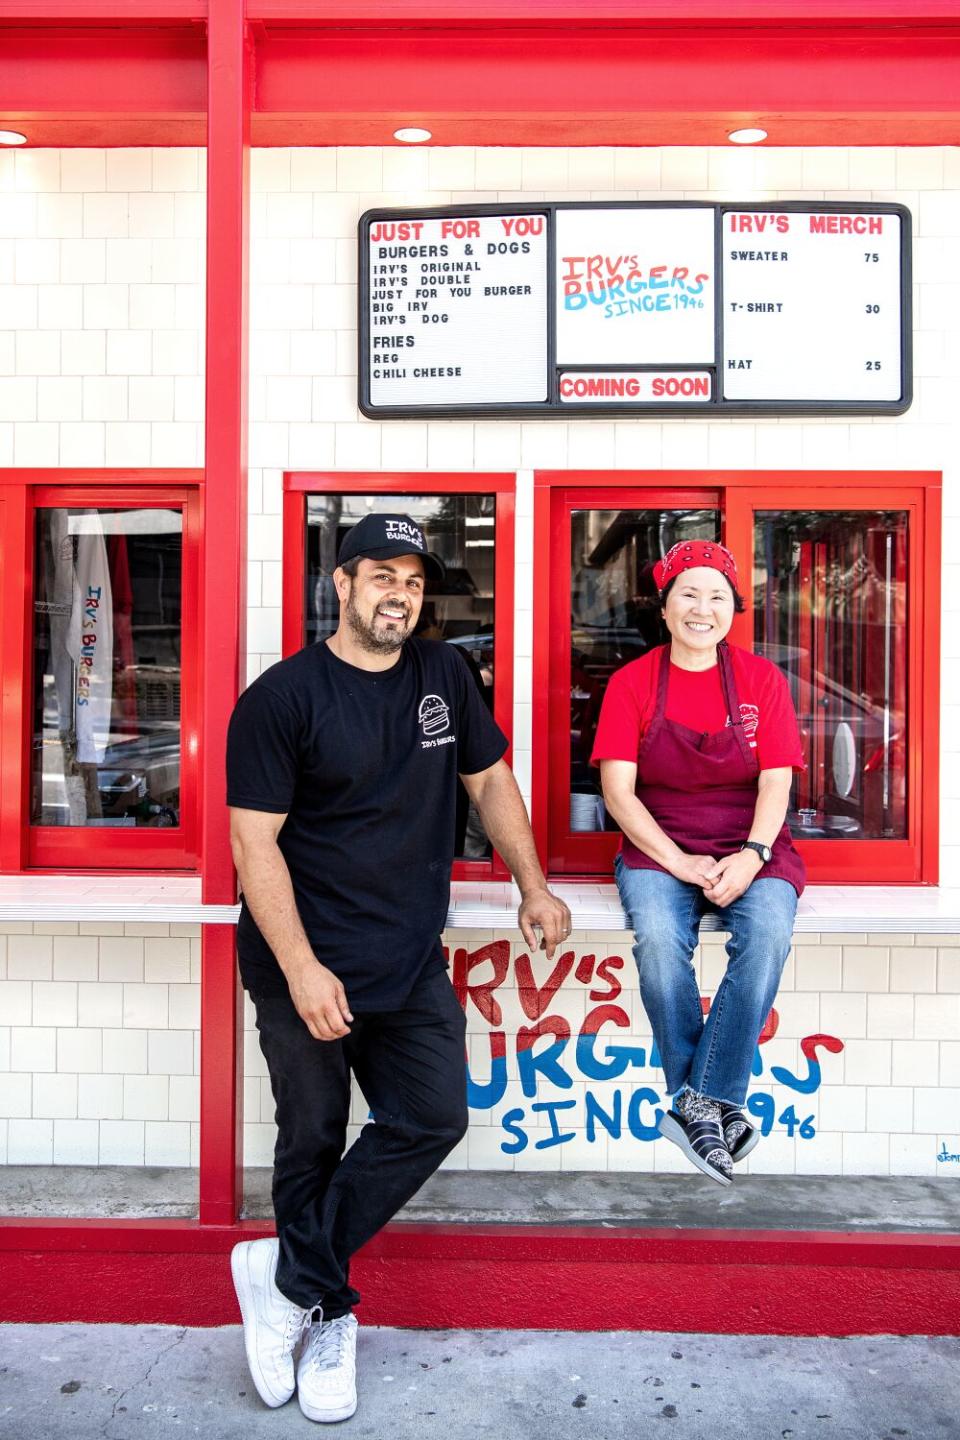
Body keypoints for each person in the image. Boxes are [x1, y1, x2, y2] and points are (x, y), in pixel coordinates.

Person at [226, 512, 570, 1424]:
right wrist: (300, 968)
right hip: (305, 957)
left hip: (408, 956)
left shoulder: (443, 673)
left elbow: (489, 781)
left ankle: (289, 1278)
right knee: (311, 1137)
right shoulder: (282, 698)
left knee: (430, 1115)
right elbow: (252, 845)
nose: (399, 597)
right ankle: (330, 1314)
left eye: (414, 583)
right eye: (381, 577)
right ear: (339, 586)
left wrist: (532, 884)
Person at [591, 539, 806, 1187]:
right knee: (658, 940)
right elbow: (618, 793)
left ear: (734, 609)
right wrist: (680, 862)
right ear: (664, 607)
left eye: (717, 596)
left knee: (767, 932)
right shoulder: (633, 684)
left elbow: (776, 783)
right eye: (688, 593)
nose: (702, 608)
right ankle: (710, 1105)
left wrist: (753, 855)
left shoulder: (762, 681)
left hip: (754, 846)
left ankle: (693, 1101)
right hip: (659, 846)